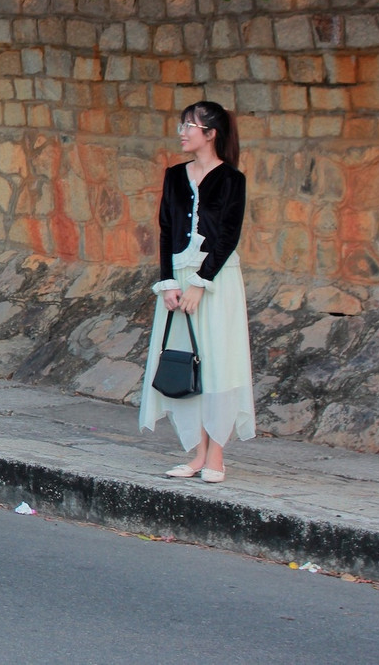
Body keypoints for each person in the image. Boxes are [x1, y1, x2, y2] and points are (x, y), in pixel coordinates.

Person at [139, 100, 255, 483]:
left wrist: (201, 284)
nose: (183, 132)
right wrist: (169, 283)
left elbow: (228, 237)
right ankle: (197, 454)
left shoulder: (232, 179)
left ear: (211, 133)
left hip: (216, 280)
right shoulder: (174, 176)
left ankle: (216, 455)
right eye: (182, 125)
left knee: (218, 362)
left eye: (190, 126)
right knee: (185, 360)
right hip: (179, 278)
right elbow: (166, 230)